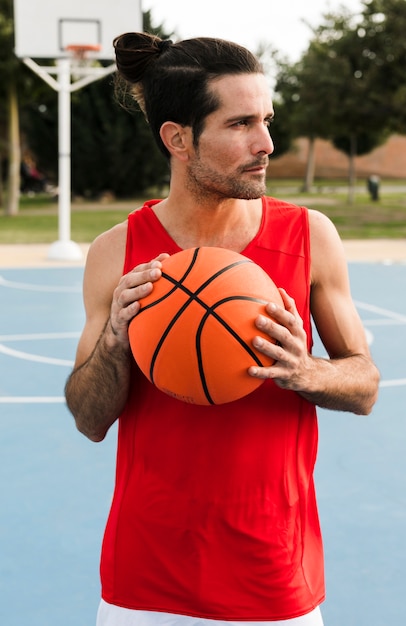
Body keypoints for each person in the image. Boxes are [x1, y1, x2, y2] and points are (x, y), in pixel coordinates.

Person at [65, 32, 380, 626]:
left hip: (273, 574)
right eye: (239, 124)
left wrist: (304, 369)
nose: (266, 143)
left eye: (266, 119)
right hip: (146, 578)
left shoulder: (310, 236)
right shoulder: (117, 254)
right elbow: (88, 418)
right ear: (177, 139)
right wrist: (114, 341)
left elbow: (363, 386)